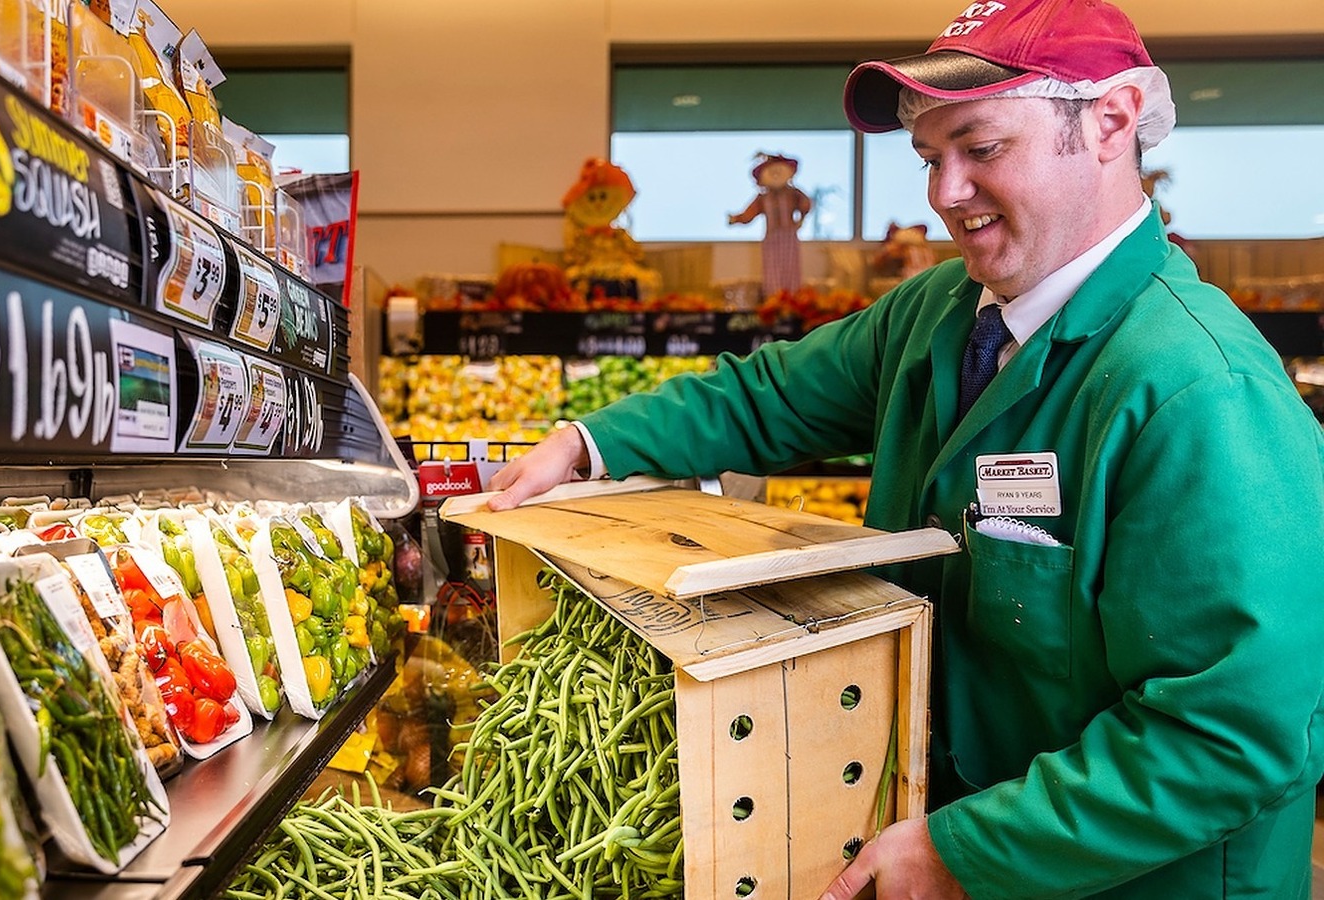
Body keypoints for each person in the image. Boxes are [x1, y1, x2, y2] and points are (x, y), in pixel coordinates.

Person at [488, 0, 1324, 896]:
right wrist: (590, 442)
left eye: (982, 148)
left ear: (1112, 122)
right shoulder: (942, 313)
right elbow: (767, 396)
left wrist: (965, 852)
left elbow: (1226, 736)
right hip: (942, 818)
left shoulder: (1200, 393)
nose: (943, 194)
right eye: (930, 158)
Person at [728, 153, 813, 296]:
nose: (776, 174)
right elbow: (749, 213)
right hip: (771, 238)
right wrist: (736, 219)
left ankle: (793, 299)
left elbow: (806, 204)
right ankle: (774, 298)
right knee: (772, 269)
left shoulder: (793, 193)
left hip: (789, 236)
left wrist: (801, 219)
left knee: (791, 268)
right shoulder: (763, 198)